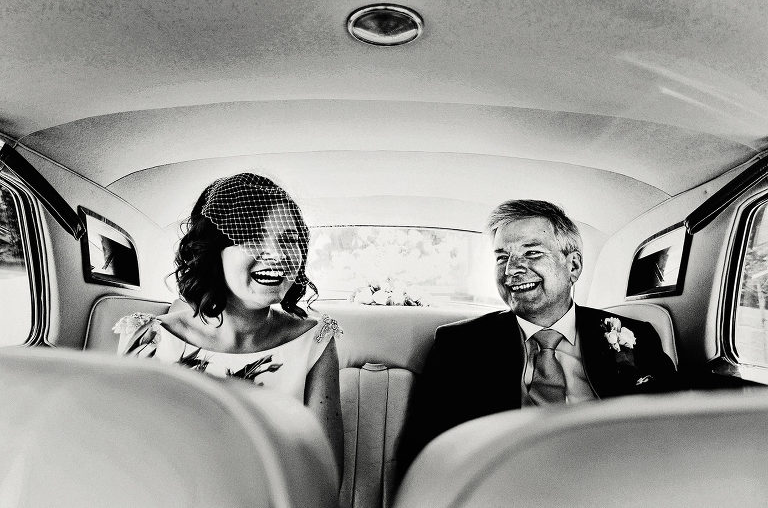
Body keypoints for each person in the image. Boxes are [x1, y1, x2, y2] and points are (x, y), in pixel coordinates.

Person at [398, 199, 676, 475]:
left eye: (531, 253)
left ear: (574, 266)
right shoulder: (459, 345)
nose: (511, 270)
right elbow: (424, 454)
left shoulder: (635, 336)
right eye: (502, 258)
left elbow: (674, 432)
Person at [113, 173, 343, 474]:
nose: (276, 255)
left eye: (288, 240)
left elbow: (323, 475)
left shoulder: (316, 341)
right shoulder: (148, 338)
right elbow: (126, 463)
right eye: (251, 238)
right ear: (213, 253)